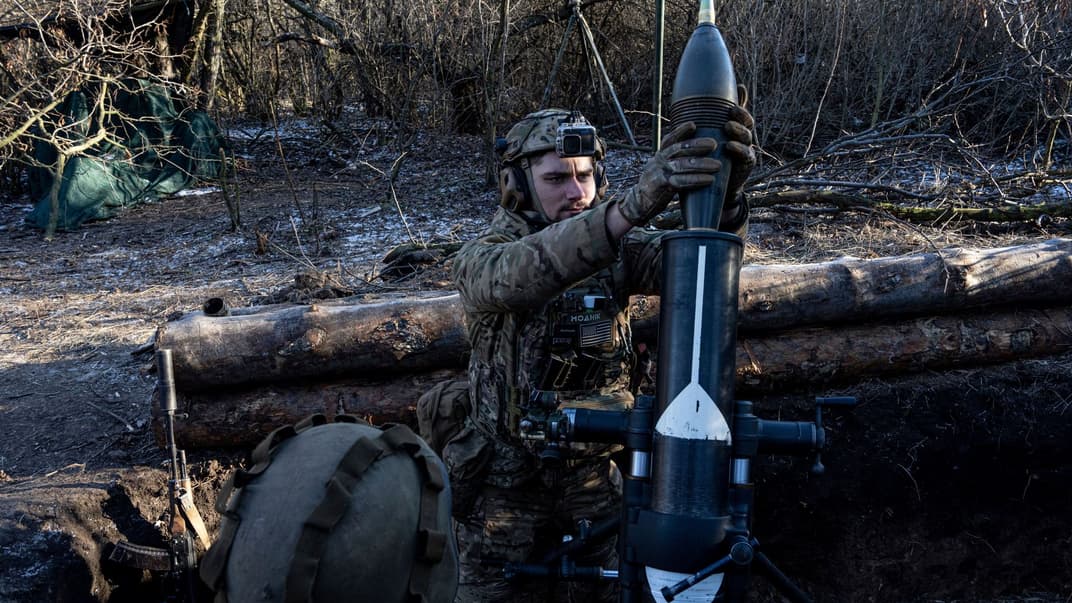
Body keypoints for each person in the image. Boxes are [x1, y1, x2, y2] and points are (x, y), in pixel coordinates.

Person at [443, 100, 755, 602]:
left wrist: (726, 197)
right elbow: (523, 275)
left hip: (597, 480)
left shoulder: (620, 249)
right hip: (504, 488)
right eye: (555, 179)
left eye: (585, 176)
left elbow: (702, 269)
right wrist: (628, 209)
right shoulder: (482, 258)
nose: (575, 192)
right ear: (515, 185)